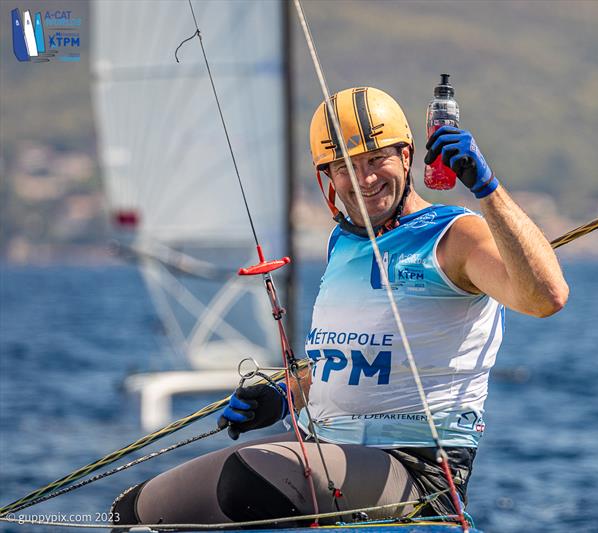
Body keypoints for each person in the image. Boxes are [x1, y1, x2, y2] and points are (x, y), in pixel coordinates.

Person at [111, 87, 568, 527]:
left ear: (406, 157)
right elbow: (343, 363)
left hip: (416, 471)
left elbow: (545, 298)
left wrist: (486, 188)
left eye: (377, 159)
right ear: (327, 178)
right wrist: (279, 397)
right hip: (322, 445)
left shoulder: (455, 236)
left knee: (243, 482)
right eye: (346, 167)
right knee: (132, 512)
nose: (365, 179)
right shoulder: (343, 242)